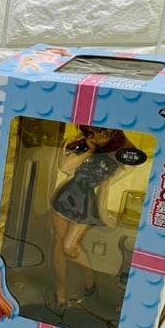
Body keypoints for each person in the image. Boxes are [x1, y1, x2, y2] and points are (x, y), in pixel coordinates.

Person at [48, 125, 133, 314]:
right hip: (64, 199)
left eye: (104, 133)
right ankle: (60, 293)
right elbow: (65, 167)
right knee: (60, 245)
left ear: (113, 136)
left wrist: (104, 215)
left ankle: (90, 279)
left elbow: (104, 189)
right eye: (94, 131)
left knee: (69, 246)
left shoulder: (113, 161)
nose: (98, 136)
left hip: (85, 205)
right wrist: (89, 149)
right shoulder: (81, 147)